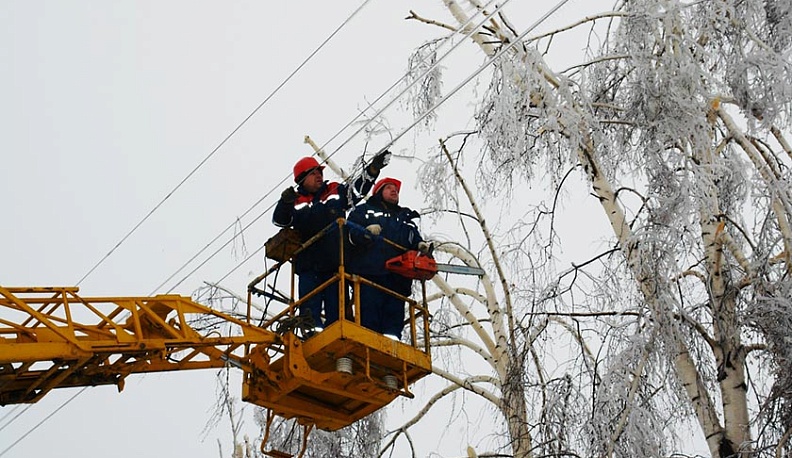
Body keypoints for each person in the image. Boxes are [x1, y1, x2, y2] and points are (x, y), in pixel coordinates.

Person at [273, 151, 390, 336]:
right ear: (302, 179)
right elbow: (280, 220)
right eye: (314, 173)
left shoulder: (334, 191)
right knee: (309, 312)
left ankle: (339, 336)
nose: (319, 175)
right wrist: (284, 202)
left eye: (320, 171)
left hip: (336, 264)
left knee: (338, 311)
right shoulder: (296, 201)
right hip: (309, 266)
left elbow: (356, 191)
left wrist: (372, 171)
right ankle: (310, 338)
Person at [347, 177, 431, 340]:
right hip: (370, 275)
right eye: (389, 188)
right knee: (370, 317)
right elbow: (349, 234)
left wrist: (421, 245)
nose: (394, 191)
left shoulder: (405, 218)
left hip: (398, 280)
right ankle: (369, 344)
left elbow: (413, 238)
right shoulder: (364, 210)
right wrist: (365, 233)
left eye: (396, 189)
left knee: (393, 322)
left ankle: (391, 347)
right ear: (379, 192)